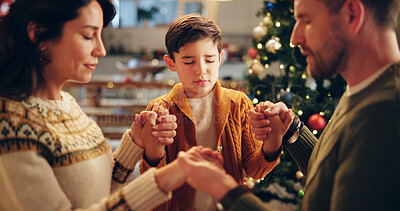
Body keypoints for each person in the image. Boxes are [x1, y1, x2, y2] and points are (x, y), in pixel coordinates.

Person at [0, 0, 181, 210]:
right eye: (88, 36)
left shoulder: (65, 103)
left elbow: (99, 193)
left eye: (100, 36)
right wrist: (162, 181)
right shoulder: (10, 125)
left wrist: (136, 142)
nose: (101, 50)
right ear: (39, 35)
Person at [250, 0, 400, 210]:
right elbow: (331, 178)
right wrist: (291, 130)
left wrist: (228, 194)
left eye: (307, 20)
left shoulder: (384, 115)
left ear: (352, 15)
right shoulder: (362, 89)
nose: (295, 38)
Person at [139, 14, 285, 210]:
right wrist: (153, 151)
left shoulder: (239, 104)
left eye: (209, 59)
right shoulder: (160, 110)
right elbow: (151, 186)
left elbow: (255, 170)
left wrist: (273, 139)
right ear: (171, 63)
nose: (201, 70)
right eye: (189, 62)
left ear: (220, 58)